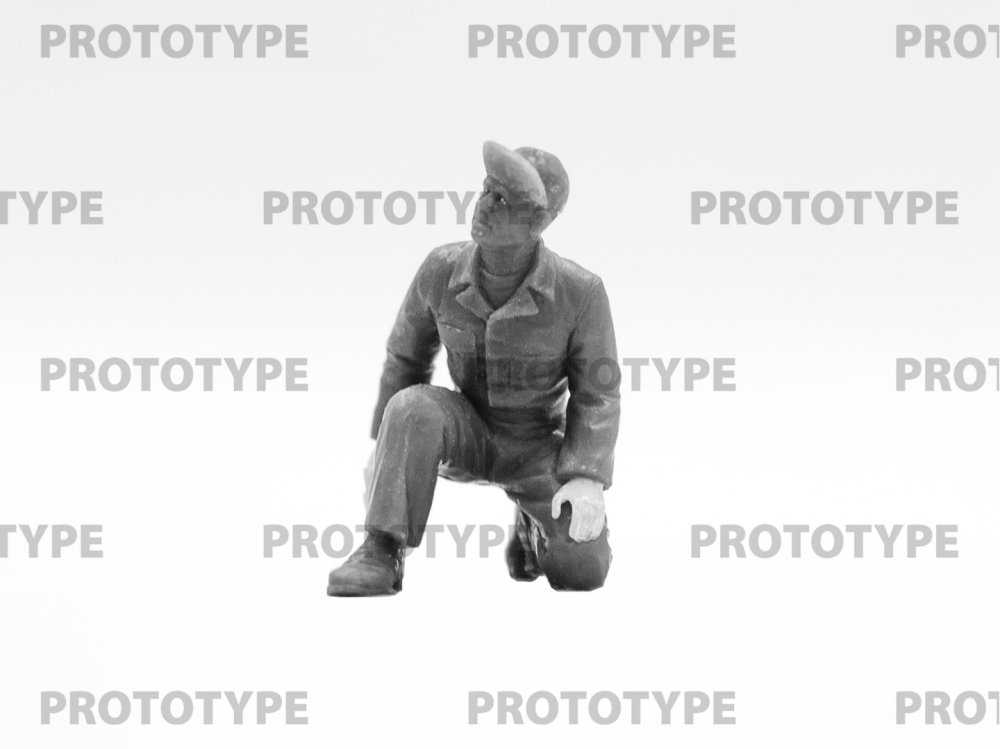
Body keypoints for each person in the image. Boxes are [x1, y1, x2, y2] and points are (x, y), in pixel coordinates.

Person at [327, 141, 620, 596]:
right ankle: (381, 548)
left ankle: (533, 531)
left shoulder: (580, 293)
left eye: (503, 199)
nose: (484, 205)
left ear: (537, 221)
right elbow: (405, 358)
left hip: (536, 445)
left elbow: (598, 393)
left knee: (582, 569)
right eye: (486, 190)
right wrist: (383, 450)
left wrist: (586, 475)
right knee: (411, 406)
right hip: (467, 429)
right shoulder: (440, 269)